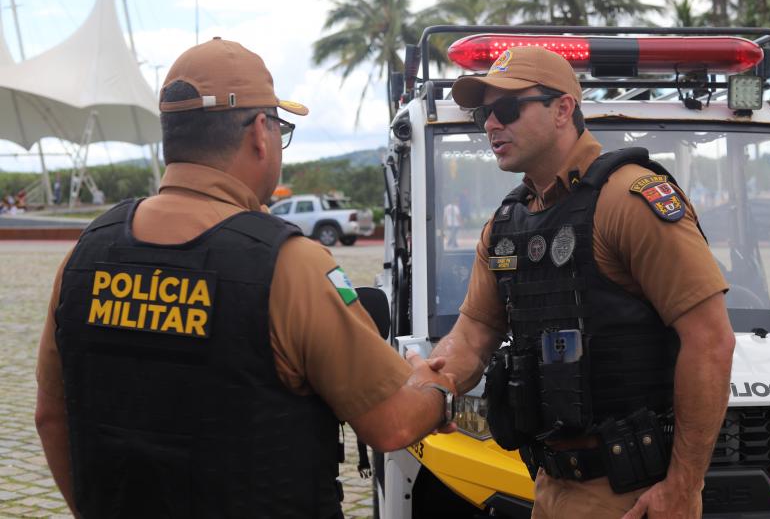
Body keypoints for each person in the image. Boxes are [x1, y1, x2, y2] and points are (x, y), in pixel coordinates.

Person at [34, 38, 457, 519]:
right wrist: (438, 389)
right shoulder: (292, 266)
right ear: (261, 132)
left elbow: (51, 418)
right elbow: (392, 424)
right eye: (281, 127)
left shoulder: (85, 255)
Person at [431, 46, 734, 518]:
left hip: (628, 494)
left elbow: (711, 341)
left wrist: (683, 485)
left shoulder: (628, 200)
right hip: (550, 486)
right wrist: (433, 382)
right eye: (484, 113)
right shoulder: (508, 222)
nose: (491, 124)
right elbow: (473, 332)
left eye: (507, 108)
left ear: (562, 109)